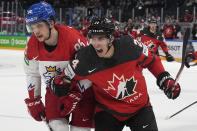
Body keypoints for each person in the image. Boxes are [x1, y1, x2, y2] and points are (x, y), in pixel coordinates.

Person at [50, 17, 181, 131]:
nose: (95, 44)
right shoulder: (85, 58)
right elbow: (64, 78)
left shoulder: (129, 47)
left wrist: (165, 79)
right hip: (108, 112)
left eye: (100, 38)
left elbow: (152, 61)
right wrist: (60, 85)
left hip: (140, 108)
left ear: (111, 38)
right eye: (92, 38)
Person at [23, 1, 95, 131]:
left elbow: (91, 68)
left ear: (51, 23)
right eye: (32, 27)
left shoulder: (73, 39)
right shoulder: (32, 45)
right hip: (55, 91)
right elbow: (32, 73)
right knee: (57, 127)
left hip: (82, 91)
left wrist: (77, 92)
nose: (36, 32)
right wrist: (34, 99)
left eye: (39, 26)